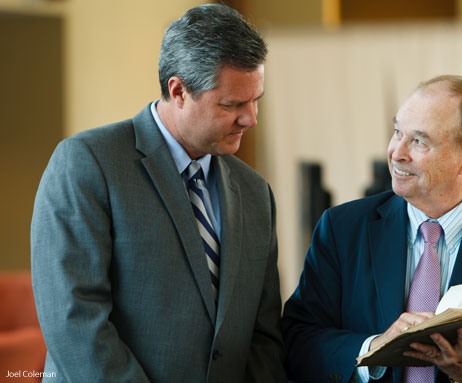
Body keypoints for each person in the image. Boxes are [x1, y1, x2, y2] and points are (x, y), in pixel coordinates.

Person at [31, 4, 286, 383]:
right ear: (179, 90)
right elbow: (74, 320)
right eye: (232, 104)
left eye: (256, 100)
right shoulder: (88, 163)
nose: (251, 118)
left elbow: (263, 336)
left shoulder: (255, 193)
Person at [281, 75, 462, 383]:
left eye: (418, 141)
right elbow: (298, 341)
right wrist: (374, 348)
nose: (397, 152)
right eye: (397, 131)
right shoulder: (342, 229)